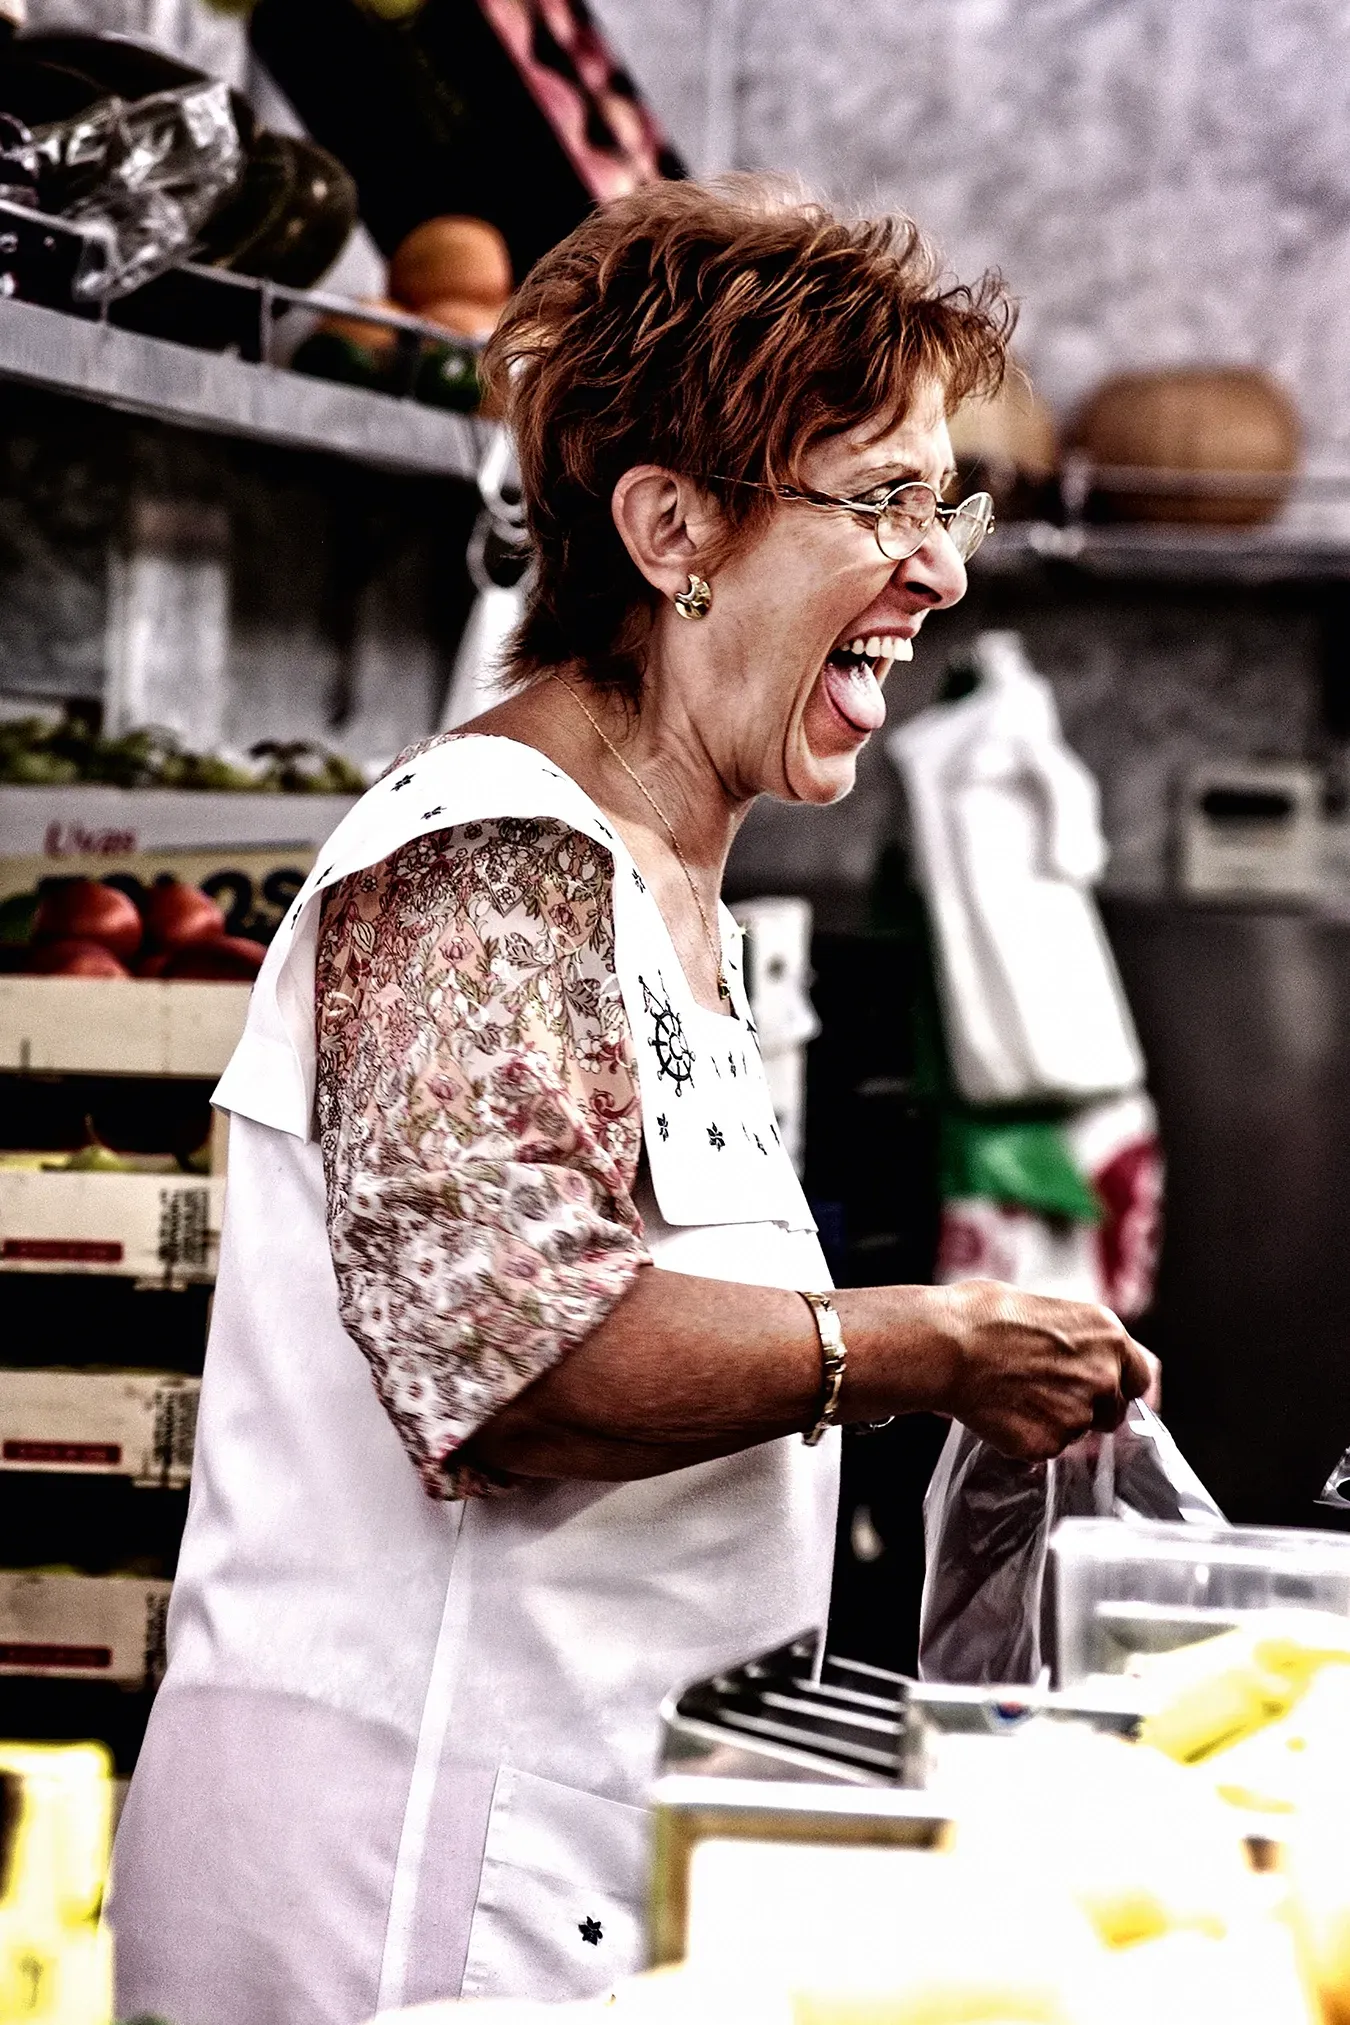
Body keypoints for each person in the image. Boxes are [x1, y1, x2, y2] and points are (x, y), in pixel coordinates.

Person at [111, 177, 1155, 2025]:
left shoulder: (655, 889)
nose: (945, 569)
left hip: (558, 1860)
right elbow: (517, 1365)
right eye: (882, 502)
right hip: (405, 1889)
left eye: (948, 503)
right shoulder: (480, 873)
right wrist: (922, 1345)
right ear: (674, 529)